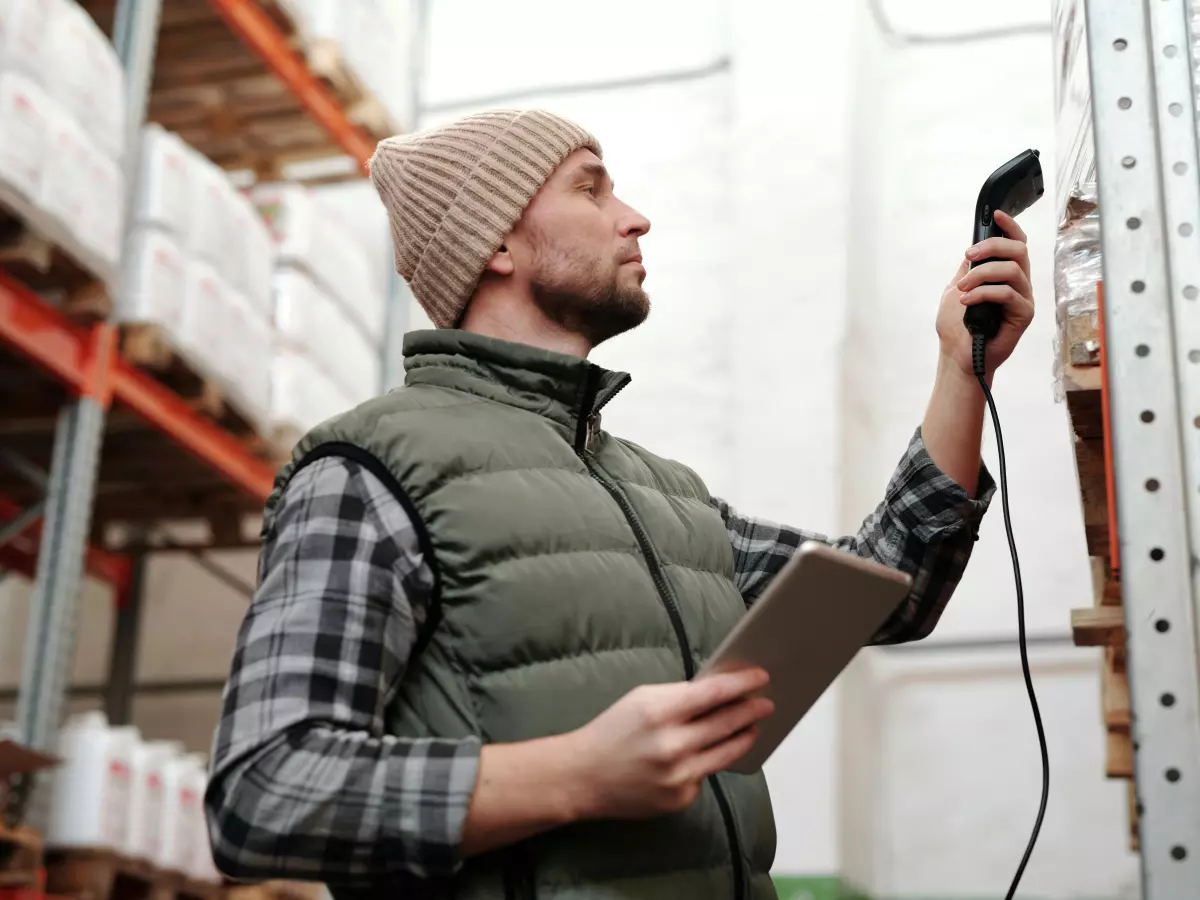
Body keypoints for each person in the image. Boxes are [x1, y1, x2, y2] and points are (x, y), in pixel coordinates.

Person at [205, 109, 1034, 900]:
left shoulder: (663, 494)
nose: (634, 218)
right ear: (495, 242)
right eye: (592, 189)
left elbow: (892, 588)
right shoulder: (367, 472)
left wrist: (961, 369)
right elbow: (264, 793)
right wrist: (578, 773)